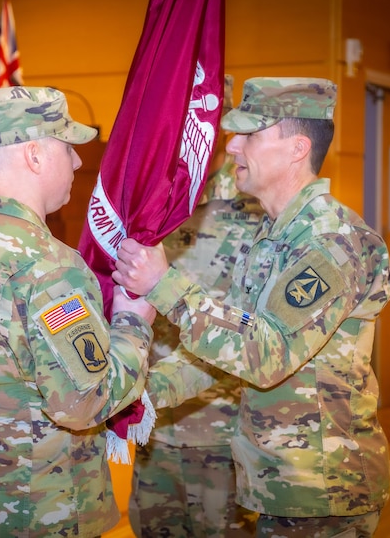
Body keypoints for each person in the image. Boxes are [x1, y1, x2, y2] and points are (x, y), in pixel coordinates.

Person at [114, 77, 390, 538]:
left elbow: (265, 355)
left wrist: (166, 284)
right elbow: (228, 352)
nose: (233, 146)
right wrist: (139, 395)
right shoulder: (274, 236)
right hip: (278, 481)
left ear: (297, 148)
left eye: (251, 135)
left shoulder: (331, 241)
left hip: (321, 488)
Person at [0, 85, 157, 537]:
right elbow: (84, 402)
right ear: (36, 156)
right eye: (68, 148)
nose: (79, 162)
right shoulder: (49, 267)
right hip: (36, 510)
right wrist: (134, 321)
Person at [129, 75, 261, 537]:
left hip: (224, 430)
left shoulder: (256, 201)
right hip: (153, 427)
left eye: (198, 112)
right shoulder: (143, 200)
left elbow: (256, 329)